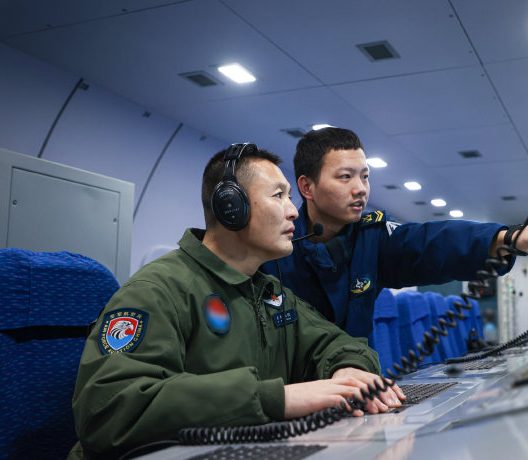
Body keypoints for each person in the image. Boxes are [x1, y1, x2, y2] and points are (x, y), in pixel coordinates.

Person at [69, 144, 404, 459]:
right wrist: (278, 399)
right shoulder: (156, 290)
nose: (292, 211)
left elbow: (336, 343)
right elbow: (108, 408)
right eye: (279, 196)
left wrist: (348, 370)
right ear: (231, 208)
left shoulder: (269, 292)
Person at [262, 128, 528, 339]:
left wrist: (508, 239)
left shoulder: (372, 237)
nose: (361, 188)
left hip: (358, 388)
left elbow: (429, 243)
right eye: (346, 176)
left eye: (365, 176)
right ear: (307, 187)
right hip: (294, 397)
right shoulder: (272, 248)